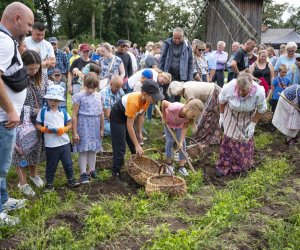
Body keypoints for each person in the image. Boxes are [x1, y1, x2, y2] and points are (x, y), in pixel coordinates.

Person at [0, 2, 34, 225]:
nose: (30, 30)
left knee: (2, 166)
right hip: (4, 118)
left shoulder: (8, 41)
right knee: (0, 167)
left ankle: (2, 201)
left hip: (5, 118)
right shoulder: (3, 41)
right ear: (17, 18)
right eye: (29, 24)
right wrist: (11, 110)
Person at [110, 80, 164, 179]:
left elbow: (141, 116)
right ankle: (116, 171)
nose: (155, 100)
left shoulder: (147, 101)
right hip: (118, 117)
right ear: (144, 93)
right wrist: (137, 144)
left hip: (129, 117)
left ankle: (135, 167)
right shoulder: (133, 101)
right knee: (120, 145)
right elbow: (129, 125)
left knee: (133, 144)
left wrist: (139, 133)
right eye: (154, 97)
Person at [216, 72, 267, 177]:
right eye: (238, 89)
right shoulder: (229, 87)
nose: (240, 92)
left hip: (248, 116)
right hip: (231, 113)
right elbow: (221, 101)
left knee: (244, 140)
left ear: (250, 86)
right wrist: (221, 116)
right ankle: (224, 166)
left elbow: (261, 109)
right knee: (228, 138)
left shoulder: (259, 92)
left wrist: (253, 124)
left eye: (243, 90)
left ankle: (240, 166)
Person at [12, 50, 46, 197]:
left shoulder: (38, 79)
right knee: (21, 152)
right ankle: (22, 182)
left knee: (35, 148)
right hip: (21, 124)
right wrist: (35, 110)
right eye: (30, 68)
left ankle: (34, 174)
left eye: (36, 68)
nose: (34, 71)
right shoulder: (17, 81)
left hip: (36, 123)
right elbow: (16, 106)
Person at [36, 85, 80, 191]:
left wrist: (64, 129)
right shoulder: (43, 112)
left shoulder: (63, 112)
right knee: (51, 165)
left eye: (55, 100)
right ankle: (49, 184)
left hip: (64, 143)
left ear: (59, 101)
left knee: (68, 163)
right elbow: (37, 124)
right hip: (51, 145)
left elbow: (70, 123)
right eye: (50, 100)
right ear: (47, 99)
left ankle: (71, 180)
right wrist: (43, 130)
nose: (53, 102)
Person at [72, 73, 104, 183]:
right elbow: (74, 115)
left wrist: (101, 128)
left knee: (93, 150)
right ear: (85, 84)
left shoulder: (99, 96)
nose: (91, 90)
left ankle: (92, 170)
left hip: (95, 125)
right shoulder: (79, 96)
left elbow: (101, 113)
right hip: (83, 125)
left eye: (93, 88)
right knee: (84, 150)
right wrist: (75, 132)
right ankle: (83, 173)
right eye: (89, 87)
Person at [167, 81, 222, 145]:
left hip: (214, 93)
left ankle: (202, 139)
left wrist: (193, 121)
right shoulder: (186, 85)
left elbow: (194, 108)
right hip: (215, 90)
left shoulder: (187, 91)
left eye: (176, 93)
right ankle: (212, 139)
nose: (177, 95)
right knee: (212, 117)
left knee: (206, 118)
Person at [161, 99, 204, 176]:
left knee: (183, 143)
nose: (193, 118)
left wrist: (180, 141)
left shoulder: (188, 117)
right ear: (189, 109)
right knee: (169, 142)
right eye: (193, 115)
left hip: (179, 125)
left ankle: (181, 167)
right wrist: (164, 117)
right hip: (168, 122)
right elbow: (163, 103)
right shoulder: (174, 107)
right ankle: (169, 164)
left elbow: (184, 128)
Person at [159, 27, 193, 102]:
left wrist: (190, 78)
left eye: (179, 38)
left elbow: (190, 62)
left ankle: (175, 112)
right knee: (168, 97)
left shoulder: (187, 45)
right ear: (172, 36)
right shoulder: (167, 43)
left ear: (183, 37)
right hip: (168, 75)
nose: (177, 40)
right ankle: (166, 112)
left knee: (177, 98)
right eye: (175, 38)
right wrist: (160, 73)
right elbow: (162, 59)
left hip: (180, 76)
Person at [267, 64, 291, 132]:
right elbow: (272, 89)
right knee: (274, 112)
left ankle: (279, 125)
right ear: (279, 72)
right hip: (275, 98)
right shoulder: (275, 79)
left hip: (283, 98)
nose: (284, 73)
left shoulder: (288, 79)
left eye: (285, 72)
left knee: (281, 112)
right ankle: (271, 125)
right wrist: (268, 97)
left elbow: (288, 89)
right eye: (283, 72)